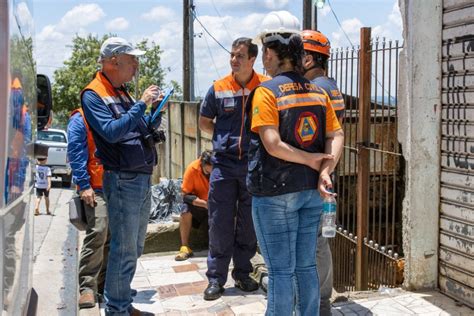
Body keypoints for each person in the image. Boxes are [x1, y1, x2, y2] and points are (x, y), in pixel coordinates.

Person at [246, 23, 344, 315]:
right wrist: (325, 168)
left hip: (274, 191)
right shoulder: (317, 92)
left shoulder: (266, 92)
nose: (263, 59)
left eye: (265, 53)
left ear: (273, 56)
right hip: (312, 192)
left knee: (280, 272)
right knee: (305, 267)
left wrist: (313, 161)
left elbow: (272, 144)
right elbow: (336, 135)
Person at [81, 37, 163, 316]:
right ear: (114, 61)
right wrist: (141, 104)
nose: (137, 64)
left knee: (134, 246)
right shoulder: (93, 94)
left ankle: (122, 304)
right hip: (122, 179)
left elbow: (135, 127)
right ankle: (116, 309)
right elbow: (112, 132)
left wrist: (154, 113)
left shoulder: (121, 91)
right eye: (132, 59)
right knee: (123, 247)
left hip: (139, 176)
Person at [199, 37, 268, 300]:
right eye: (232, 55)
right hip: (224, 166)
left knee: (249, 224)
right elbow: (205, 121)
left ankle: (242, 273)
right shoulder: (218, 88)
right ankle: (216, 279)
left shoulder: (264, 87)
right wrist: (224, 137)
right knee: (219, 223)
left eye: (240, 56)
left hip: (253, 165)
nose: (234, 60)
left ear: (252, 59)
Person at [301, 29, 346, 316]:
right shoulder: (328, 86)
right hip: (322, 174)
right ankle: (318, 301)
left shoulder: (320, 89)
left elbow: (330, 134)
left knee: (316, 244)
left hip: (317, 177)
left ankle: (320, 303)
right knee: (318, 243)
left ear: (308, 58)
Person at [67, 107, 110, 309]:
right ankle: (87, 288)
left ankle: (104, 286)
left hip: (116, 185)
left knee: (112, 237)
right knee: (98, 231)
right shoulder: (80, 118)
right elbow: (75, 150)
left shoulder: (113, 111)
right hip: (95, 187)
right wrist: (84, 185)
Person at [175, 150, 213, 261]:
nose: (211, 173)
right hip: (200, 204)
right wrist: (204, 204)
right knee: (185, 209)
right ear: (202, 164)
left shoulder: (220, 168)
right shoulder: (192, 168)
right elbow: (185, 195)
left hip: (216, 203)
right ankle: (185, 247)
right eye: (208, 170)